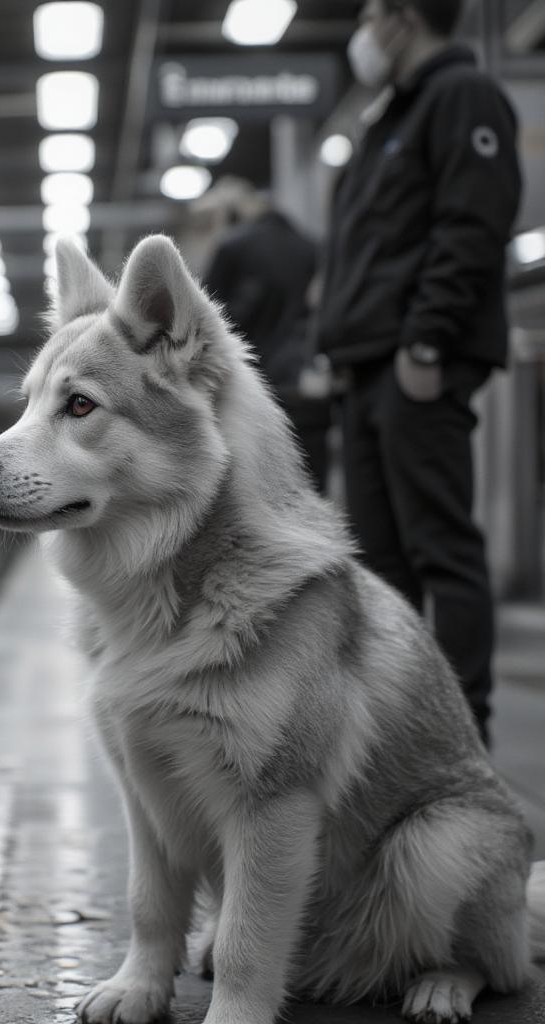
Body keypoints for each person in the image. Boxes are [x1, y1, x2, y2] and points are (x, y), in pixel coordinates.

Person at [315, 0, 522, 743]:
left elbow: (472, 226)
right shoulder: (385, 121)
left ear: (404, 16)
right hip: (367, 367)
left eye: (371, 12)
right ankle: (399, 733)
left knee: (442, 549)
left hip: (413, 364)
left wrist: (427, 345)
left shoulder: (463, 98)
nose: (363, 30)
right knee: (380, 568)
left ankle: (464, 735)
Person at [204, 179, 331, 490]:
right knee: (312, 496)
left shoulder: (233, 247)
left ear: (230, 213)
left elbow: (209, 328)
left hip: (252, 397)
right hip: (308, 391)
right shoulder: (312, 247)